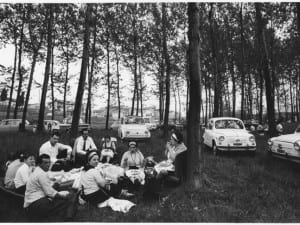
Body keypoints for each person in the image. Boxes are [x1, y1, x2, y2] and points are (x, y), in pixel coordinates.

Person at [24, 154, 77, 222]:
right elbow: (51, 194)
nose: (48, 164)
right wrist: (65, 197)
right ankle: (69, 219)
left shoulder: (37, 171)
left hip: (32, 204)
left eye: (49, 162)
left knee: (66, 199)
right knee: (70, 200)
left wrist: (55, 188)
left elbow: (46, 189)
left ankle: (67, 216)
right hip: (37, 205)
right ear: (39, 164)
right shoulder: (41, 174)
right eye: (45, 163)